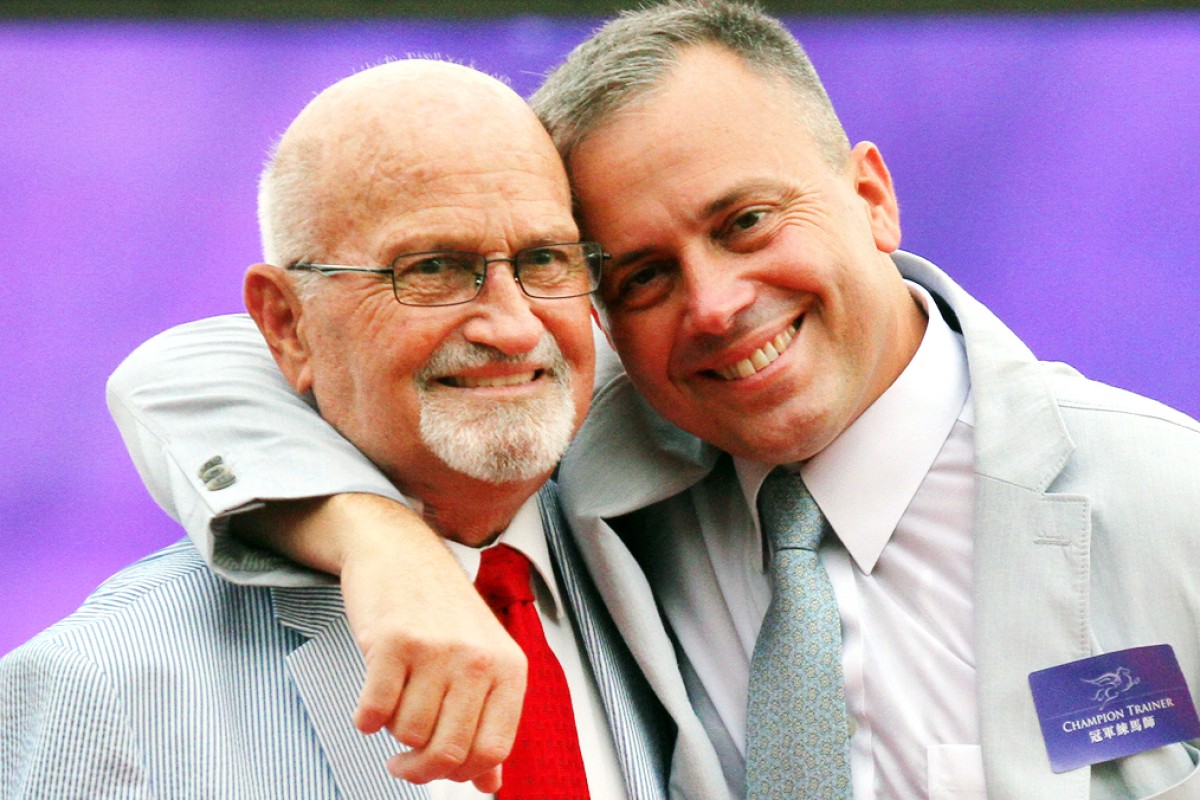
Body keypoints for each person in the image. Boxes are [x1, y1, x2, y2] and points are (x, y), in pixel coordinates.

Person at [103, 2, 1200, 798]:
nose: (716, 306)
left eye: (746, 222)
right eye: (638, 274)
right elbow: (199, 368)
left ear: (871, 194)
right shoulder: (614, 432)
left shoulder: (1163, 493)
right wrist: (383, 545)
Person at [0, 59, 678, 799]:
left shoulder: (685, 559)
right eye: (432, 269)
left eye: (545, 259)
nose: (514, 328)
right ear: (287, 325)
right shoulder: (106, 689)